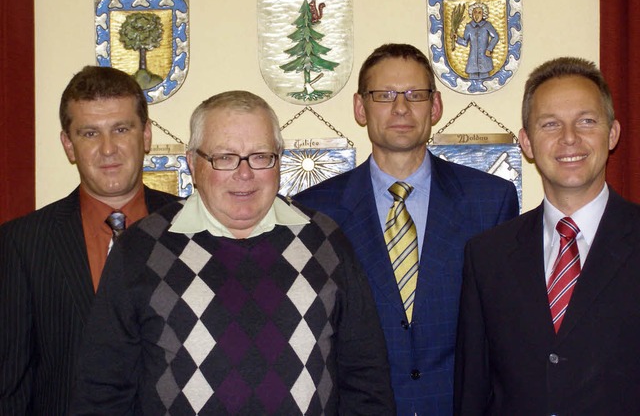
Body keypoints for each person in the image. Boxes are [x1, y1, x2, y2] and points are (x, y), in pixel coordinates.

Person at [70, 90, 396, 415]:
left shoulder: (326, 243)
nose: (244, 173)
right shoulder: (140, 250)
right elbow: (101, 393)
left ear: (279, 160)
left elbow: (367, 383)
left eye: (260, 156)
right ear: (192, 164)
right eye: (224, 158)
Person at [294, 43, 519, 414]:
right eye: (384, 95)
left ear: (436, 106)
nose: (401, 107)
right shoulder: (316, 210)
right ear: (359, 108)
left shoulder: (490, 201)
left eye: (415, 95)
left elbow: (506, 333)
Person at [454, 57, 640, 414]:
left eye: (586, 121)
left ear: (613, 133)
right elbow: (473, 391)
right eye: (550, 124)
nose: (569, 138)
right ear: (526, 142)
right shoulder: (487, 257)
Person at [0, 66, 179, 414]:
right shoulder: (21, 244)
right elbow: (10, 384)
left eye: (121, 129)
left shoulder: (193, 228)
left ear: (146, 136)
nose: (108, 149)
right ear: (69, 145)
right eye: (90, 133)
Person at [453, 2, 498, 79]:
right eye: (475, 12)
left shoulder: (487, 25)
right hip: (472, 62)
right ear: (471, 13)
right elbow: (465, 42)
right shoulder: (469, 26)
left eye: (479, 12)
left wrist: (489, 49)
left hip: (485, 60)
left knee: (486, 79)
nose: (477, 15)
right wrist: (457, 38)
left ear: (483, 14)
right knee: (472, 78)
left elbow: (495, 37)